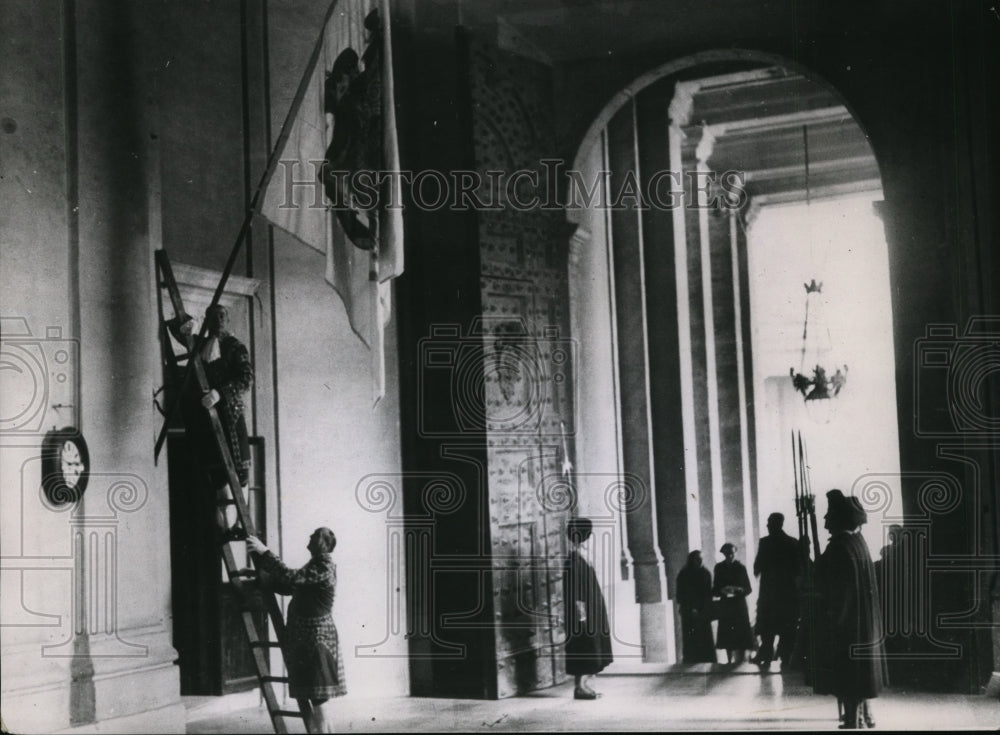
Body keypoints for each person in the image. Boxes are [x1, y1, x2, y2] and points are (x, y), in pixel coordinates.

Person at [246, 529, 345, 734]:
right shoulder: (315, 565)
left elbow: (291, 578)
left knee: (319, 700)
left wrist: (265, 553)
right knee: (317, 699)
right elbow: (289, 586)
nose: (310, 537)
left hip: (318, 640)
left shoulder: (324, 566)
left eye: (315, 536)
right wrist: (259, 577)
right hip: (308, 639)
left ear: (324, 544)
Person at [170, 304, 254, 542]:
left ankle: (241, 522)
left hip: (230, 416)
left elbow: (246, 379)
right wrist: (189, 323)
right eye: (212, 316)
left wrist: (220, 393)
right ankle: (224, 527)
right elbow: (177, 328)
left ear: (227, 319)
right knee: (217, 474)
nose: (218, 320)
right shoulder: (200, 343)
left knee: (239, 471)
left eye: (221, 316)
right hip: (207, 419)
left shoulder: (235, 347)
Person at [813, 490, 888, 730]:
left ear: (839, 520)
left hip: (846, 622)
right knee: (860, 672)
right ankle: (866, 715)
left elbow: (836, 588)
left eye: (829, 516)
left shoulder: (839, 547)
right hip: (861, 620)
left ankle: (852, 720)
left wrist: (832, 619)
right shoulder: (858, 542)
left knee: (847, 673)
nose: (825, 520)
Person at [562, 517, 613, 699]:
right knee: (585, 646)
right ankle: (580, 687)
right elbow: (575, 592)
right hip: (584, 613)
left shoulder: (581, 557)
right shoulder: (574, 560)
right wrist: (581, 616)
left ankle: (584, 685)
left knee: (592, 646)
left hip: (591, 610)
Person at [751, 512, 801, 668]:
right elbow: (798, 569)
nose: (767, 525)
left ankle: (766, 653)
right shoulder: (792, 542)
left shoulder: (765, 542)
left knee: (767, 626)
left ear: (775, 524)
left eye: (769, 522)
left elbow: (757, 567)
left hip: (769, 592)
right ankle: (785, 656)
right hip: (787, 593)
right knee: (786, 625)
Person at [713, 542, 754, 664]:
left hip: (739, 605)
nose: (730, 556)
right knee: (727, 633)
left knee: (741, 632)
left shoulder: (741, 568)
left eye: (731, 553)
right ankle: (729, 660)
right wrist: (722, 591)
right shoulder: (719, 568)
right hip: (726, 605)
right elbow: (715, 589)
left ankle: (741, 661)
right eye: (727, 554)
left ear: (735, 553)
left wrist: (739, 590)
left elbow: (748, 589)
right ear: (723, 554)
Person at [676, 550, 717, 663]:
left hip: (702, 610)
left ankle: (706, 659)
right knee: (690, 637)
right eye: (697, 559)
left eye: (701, 559)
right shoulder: (684, 574)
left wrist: (702, 608)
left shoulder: (705, 573)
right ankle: (691, 658)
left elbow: (708, 594)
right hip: (688, 610)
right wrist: (691, 608)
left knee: (704, 636)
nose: (699, 561)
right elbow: (680, 594)